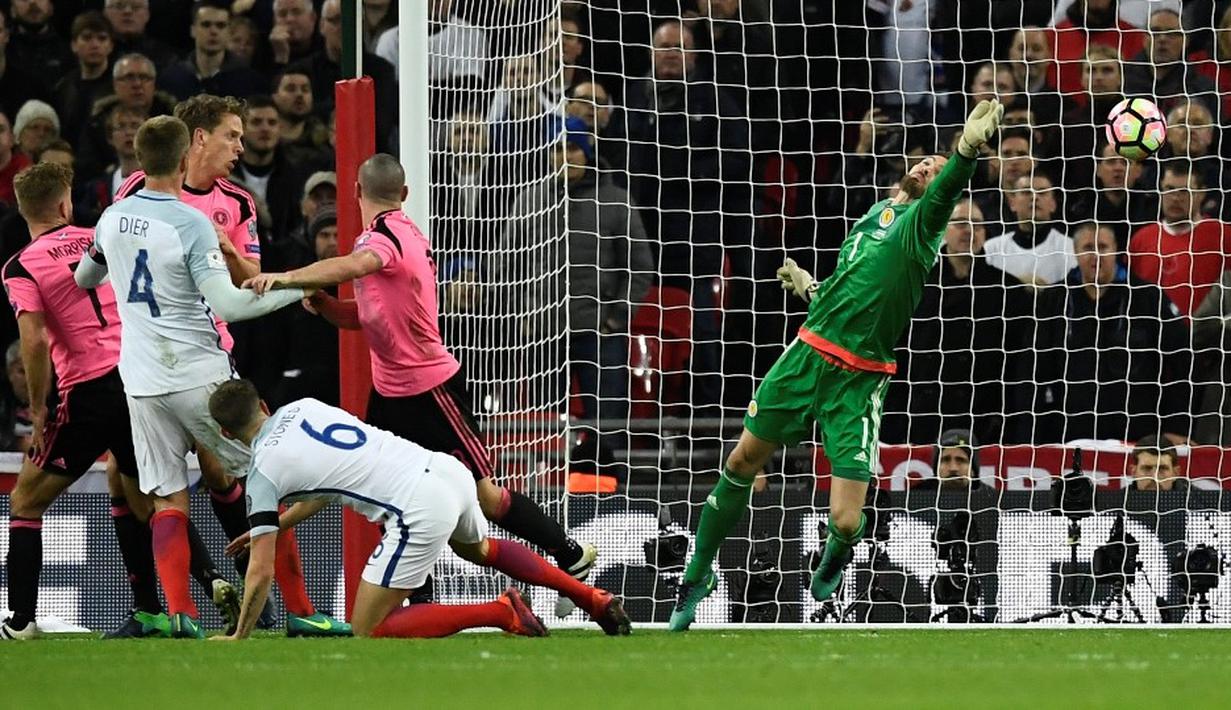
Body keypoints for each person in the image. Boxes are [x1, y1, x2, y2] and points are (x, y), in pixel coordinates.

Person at [667, 99, 1005, 631]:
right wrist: (813, 290)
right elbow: (855, 289)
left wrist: (964, 153)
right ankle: (699, 571)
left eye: (936, 168)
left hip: (858, 382)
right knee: (740, 463)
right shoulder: (876, 215)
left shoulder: (923, 231)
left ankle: (840, 546)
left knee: (845, 518)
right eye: (924, 161)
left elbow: (942, 196)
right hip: (806, 355)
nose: (926, 167)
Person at [243, 154, 601, 618]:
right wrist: (331, 309)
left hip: (432, 390)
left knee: (486, 497)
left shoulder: (389, 235)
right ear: (406, 192)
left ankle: (570, 553)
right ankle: (420, 600)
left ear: (354, 191)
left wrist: (286, 277)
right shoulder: (391, 236)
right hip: (390, 395)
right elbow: (373, 314)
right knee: (385, 493)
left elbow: (356, 265)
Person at [75, 115, 347, 638]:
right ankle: (299, 609)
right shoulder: (191, 223)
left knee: (167, 498)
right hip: (201, 372)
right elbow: (229, 305)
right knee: (266, 475)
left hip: (142, 379)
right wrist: (300, 289)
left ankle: (181, 612)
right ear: (183, 160)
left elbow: (86, 276)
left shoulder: (110, 217)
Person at [0, 163, 236, 640]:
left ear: (24, 210)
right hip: (138, 376)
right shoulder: (102, 234)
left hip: (88, 390)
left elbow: (35, 338)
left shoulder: (21, 265)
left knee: (25, 502)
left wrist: (41, 409)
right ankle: (202, 585)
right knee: (143, 495)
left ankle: (21, 622)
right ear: (67, 203)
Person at [206, 381, 631, 639]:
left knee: (368, 627)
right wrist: (282, 523)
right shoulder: (305, 407)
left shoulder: (261, 472)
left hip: (416, 505)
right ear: (262, 405)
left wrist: (240, 635)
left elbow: (261, 570)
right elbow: (330, 481)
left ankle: (501, 612)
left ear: (225, 432)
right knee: (478, 549)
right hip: (445, 471)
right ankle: (589, 597)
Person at [1032, 223, 1191, 443]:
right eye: (1088, 247)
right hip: (1070, 433)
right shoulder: (1054, 299)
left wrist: (1177, 426)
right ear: (1075, 253)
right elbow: (1034, 369)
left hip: (1138, 435)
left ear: (1116, 250)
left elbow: (1182, 362)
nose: (1096, 255)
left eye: (1103, 246)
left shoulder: (1148, 297)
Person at [1129, 161, 1231, 317]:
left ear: (1201, 193)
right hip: (1152, 336)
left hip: (1206, 337)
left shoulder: (1224, 237)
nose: (1175, 198)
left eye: (1184, 191)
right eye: (1170, 189)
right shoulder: (1141, 240)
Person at [982, 173, 1075, 285]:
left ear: (1053, 204)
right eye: (1026, 192)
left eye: (1042, 192)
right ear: (1012, 203)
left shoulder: (1070, 249)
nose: (1034, 197)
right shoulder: (991, 249)